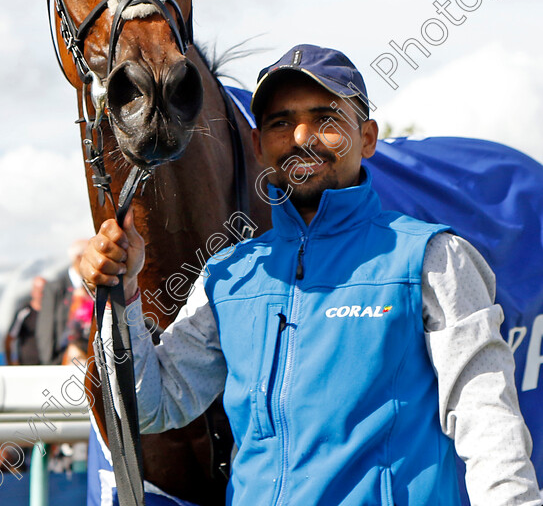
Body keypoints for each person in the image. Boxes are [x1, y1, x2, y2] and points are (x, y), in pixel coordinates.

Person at [81, 44, 542, 506]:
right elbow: (154, 405)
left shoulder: (433, 258)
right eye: (280, 123)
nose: (302, 135)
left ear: (366, 138)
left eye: (325, 118)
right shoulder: (230, 275)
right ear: (260, 146)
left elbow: (489, 427)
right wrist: (122, 296)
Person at [36, 238, 90, 365]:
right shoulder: (55, 288)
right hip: (61, 363)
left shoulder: (97, 288)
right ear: (78, 258)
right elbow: (46, 329)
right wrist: (50, 364)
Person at [5, 275, 46, 365]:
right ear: (32, 292)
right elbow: (9, 338)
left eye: (43, 290)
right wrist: (10, 362)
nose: (41, 293)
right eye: (38, 290)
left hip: (48, 364)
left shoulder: (52, 312)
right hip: (27, 364)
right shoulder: (24, 312)